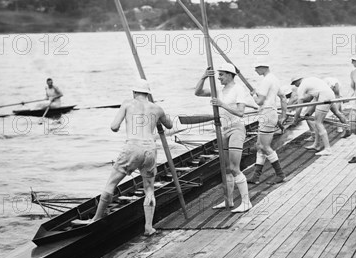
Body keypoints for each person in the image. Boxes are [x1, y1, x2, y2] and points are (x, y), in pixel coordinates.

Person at [74, 79, 173, 236]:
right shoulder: (157, 108)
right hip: (150, 148)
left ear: (134, 92)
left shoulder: (128, 104)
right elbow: (169, 125)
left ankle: (97, 218)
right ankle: (148, 227)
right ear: (148, 94)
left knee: (111, 184)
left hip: (132, 147)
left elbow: (114, 127)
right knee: (149, 190)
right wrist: (158, 116)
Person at [195, 63, 252, 213]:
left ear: (229, 74)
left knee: (234, 168)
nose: (218, 78)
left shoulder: (238, 89)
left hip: (236, 128)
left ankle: (247, 202)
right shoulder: (219, 90)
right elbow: (198, 92)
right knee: (226, 169)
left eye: (221, 75)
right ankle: (229, 201)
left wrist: (221, 104)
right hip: (223, 130)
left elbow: (240, 112)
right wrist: (204, 77)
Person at [248, 61, 288, 185]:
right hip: (270, 114)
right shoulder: (274, 79)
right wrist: (283, 115)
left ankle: (280, 174)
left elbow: (259, 101)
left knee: (265, 147)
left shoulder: (266, 81)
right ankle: (255, 176)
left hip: (267, 114)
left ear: (262, 67)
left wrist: (253, 95)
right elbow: (283, 97)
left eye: (256, 67)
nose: (255, 70)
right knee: (260, 146)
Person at [290, 76, 335, 156]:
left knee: (318, 123)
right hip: (325, 95)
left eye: (294, 83)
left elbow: (299, 106)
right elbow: (313, 97)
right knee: (310, 117)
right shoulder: (310, 80)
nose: (294, 86)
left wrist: (295, 119)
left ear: (298, 81)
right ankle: (317, 144)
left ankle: (328, 149)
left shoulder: (301, 87)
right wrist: (306, 114)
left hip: (324, 97)